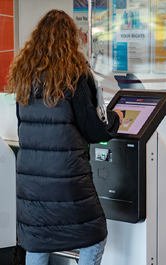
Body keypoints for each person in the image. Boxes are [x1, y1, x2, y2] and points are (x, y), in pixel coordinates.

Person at [6, 9, 124, 265]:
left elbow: (23, 128)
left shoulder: (25, 78)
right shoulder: (76, 77)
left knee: (38, 241)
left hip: (31, 183)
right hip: (67, 179)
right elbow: (94, 130)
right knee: (94, 236)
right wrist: (116, 119)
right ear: (70, 40)